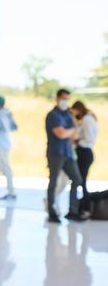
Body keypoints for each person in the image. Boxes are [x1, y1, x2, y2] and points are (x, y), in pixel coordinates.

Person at [45, 89, 87, 223]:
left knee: (77, 179)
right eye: (64, 98)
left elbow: (74, 134)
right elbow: (61, 134)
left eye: (68, 99)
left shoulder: (67, 116)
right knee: (54, 182)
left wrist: (69, 131)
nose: (66, 101)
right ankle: (52, 211)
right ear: (57, 98)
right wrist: (70, 131)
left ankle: (72, 211)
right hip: (55, 153)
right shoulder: (53, 115)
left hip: (68, 152)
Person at [70, 101, 98, 199]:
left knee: (80, 180)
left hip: (84, 152)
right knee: (81, 180)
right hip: (83, 151)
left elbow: (88, 138)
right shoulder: (87, 119)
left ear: (78, 109)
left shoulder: (87, 119)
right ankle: (83, 204)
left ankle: (85, 204)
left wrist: (77, 141)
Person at [0, 96, 17, 200]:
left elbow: (3, 127)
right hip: (4, 143)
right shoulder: (7, 113)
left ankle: (11, 191)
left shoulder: (1, 114)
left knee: (6, 167)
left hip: (2, 144)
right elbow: (14, 127)